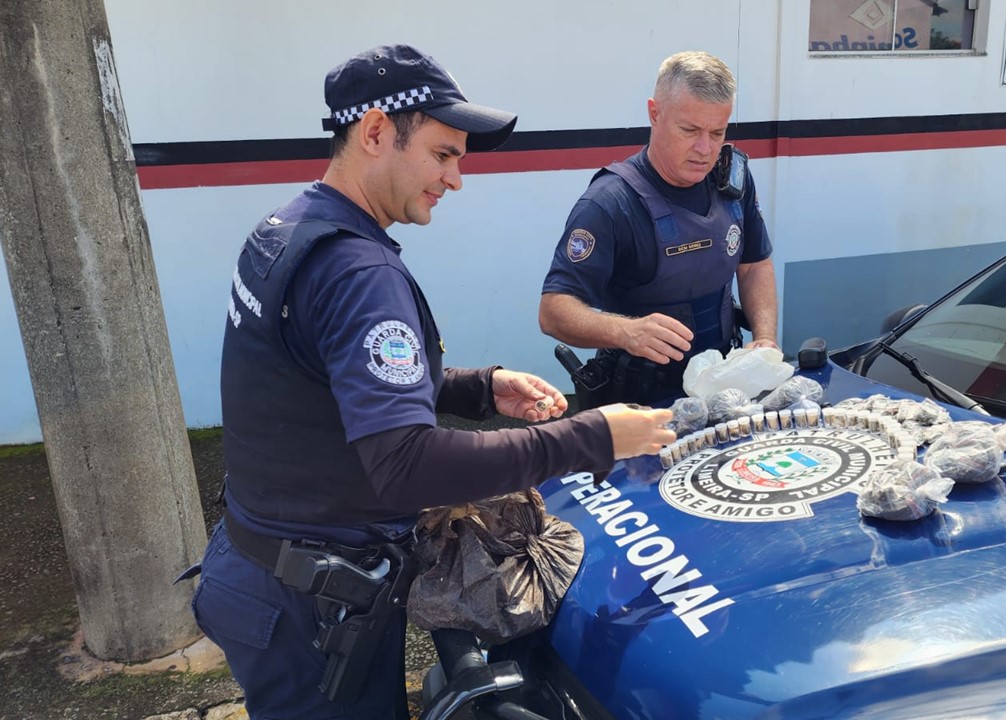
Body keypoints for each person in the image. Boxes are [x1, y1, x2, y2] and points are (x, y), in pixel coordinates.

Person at [189, 44, 674, 720]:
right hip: (306, 610)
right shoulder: (359, 274)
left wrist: (478, 388)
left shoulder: (289, 231)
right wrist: (590, 437)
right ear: (377, 132)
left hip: (257, 568)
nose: (455, 180)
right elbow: (407, 464)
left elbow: (326, 369)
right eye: (444, 154)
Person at [538, 50, 779, 408]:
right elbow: (553, 310)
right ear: (655, 113)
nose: (704, 149)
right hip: (642, 399)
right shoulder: (610, 203)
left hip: (724, 384)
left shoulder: (732, 182)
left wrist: (764, 339)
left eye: (717, 132)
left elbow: (754, 264)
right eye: (689, 130)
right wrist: (626, 332)